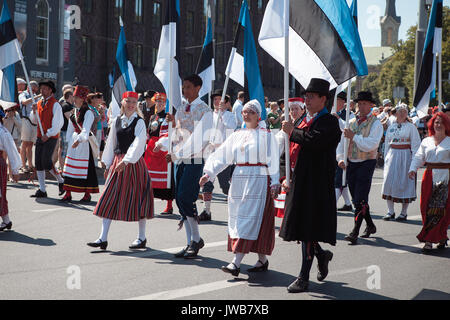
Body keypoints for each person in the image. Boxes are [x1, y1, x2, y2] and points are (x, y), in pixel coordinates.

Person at [199, 99, 280, 277]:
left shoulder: (267, 135)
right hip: (238, 179)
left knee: (249, 219)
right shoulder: (236, 135)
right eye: (244, 111)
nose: (246, 114)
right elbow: (222, 155)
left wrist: (275, 182)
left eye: (250, 112)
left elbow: (273, 159)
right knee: (241, 218)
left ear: (258, 115)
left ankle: (235, 263)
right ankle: (262, 260)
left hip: (258, 180)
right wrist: (209, 172)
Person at [279, 78, 341, 293]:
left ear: (324, 99)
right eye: (306, 96)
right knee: (302, 228)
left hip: (316, 185)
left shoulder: (330, 122)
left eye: (311, 97)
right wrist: (283, 175)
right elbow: (288, 150)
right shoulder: (303, 119)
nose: (307, 100)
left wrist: (292, 131)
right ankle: (321, 255)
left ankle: (303, 277)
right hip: (299, 181)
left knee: (307, 229)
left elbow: (314, 141)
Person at [155, 74, 213, 259]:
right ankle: (191, 241)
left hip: (195, 159)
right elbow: (178, 134)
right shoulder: (180, 109)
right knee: (180, 200)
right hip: (179, 159)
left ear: (198, 88)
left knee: (185, 196)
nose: (184, 90)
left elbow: (199, 139)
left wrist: (177, 153)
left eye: (188, 86)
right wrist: (165, 142)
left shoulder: (206, 111)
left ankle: (195, 240)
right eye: (184, 87)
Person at [87, 91, 154, 250]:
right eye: (128, 101)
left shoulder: (139, 122)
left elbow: (139, 143)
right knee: (108, 197)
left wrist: (126, 160)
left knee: (139, 199)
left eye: (133, 102)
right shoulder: (117, 120)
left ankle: (141, 237)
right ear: (123, 102)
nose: (131, 104)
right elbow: (111, 143)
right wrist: (108, 163)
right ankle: (102, 238)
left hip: (134, 163)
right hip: (117, 162)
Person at [337, 91, 383, 245]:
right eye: (359, 103)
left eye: (365, 103)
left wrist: (354, 137)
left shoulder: (376, 123)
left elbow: (371, 144)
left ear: (371, 105)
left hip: (366, 163)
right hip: (351, 163)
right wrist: (341, 158)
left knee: (359, 198)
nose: (361, 106)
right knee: (358, 199)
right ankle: (370, 225)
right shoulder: (351, 122)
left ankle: (355, 231)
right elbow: (342, 144)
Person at [408, 112, 450, 252]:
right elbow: (419, 157)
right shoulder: (427, 141)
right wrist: (413, 169)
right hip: (430, 175)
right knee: (426, 206)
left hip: (446, 176)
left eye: (441, 122)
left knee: (443, 208)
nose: (438, 125)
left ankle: (435, 237)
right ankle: (434, 237)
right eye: (436, 122)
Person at [199, 89, 237, 221]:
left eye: (219, 99)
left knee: (225, 185)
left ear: (226, 102)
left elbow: (231, 129)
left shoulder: (230, 116)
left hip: (224, 153)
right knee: (207, 181)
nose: (216, 102)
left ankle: (237, 209)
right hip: (209, 152)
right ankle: (206, 210)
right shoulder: (209, 115)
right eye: (215, 99)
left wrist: (222, 115)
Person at [382, 104, 421, 221]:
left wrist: (414, 163)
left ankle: (403, 213)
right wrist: (386, 159)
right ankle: (390, 211)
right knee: (389, 181)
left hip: (406, 157)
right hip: (392, 156)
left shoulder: (411, 127)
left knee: (405, 183)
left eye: (404, 112)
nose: (402, 114)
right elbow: (387, 144)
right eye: (400, 112)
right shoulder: (391, 127)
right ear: (395, 113)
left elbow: (416, 145)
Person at [60, 86, 100, 202]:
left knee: (86, 169)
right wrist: (69, 141)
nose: (74, 99)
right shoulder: (74, 112)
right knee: (69, 168)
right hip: (74, 142)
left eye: (76, 97)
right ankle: (68, 193)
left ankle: (87, 194)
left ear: (82, 99)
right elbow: (70, 129)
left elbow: (86, 130)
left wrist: (79, 140)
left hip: (84, 144)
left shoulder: (88, 113)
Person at [29, 80, 64, 198]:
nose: (42, 91)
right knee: (38, 162)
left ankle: (60, 180)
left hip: (51, 137)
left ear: (50, 90)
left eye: (44, 88)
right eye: (41, 88)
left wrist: (48, 134)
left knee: (46, 161)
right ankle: (42, 189)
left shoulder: (56, 104)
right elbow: (34, 121)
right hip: (40, 136)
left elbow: (58, 124)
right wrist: (34, 111)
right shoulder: (38, 103)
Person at [144, 92, 175, 215]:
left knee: (166, 177)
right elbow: (148, 132)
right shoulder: (152, 117)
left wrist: (161, 144)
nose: (160, 103)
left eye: (162, 102)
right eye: (158, 101)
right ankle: (148, 204)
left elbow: (169, 133)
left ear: (165, 103)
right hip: (151, 149)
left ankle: (169, 205)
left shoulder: (168, 117)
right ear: (155, 102)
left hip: (162, 148)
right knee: (149, 177)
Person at [274, 97, 305, 218]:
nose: (293, 112)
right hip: (288, 163)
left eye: (296, 109)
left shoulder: (304, 125)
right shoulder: (287, 124)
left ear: (302, 110)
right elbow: (278, 143)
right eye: (291, 109)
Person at [332, 91, 355, 212]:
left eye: (338, 100)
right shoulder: (331, 112)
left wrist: (338, 120)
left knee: (339, 178)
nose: (336, 103)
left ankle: (332, 204)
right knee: (340, 178)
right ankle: (347, 203)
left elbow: (348, 129)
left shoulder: (349, 115)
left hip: (343, 149)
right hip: (332, 148)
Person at [0, 108, 21, 232]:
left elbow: (12, 151)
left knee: (1, 194)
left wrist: (15, 170)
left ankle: (6, 220)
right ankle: (6, 220)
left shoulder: (3, 132)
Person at [18, 79, 41, 173]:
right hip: (26, 119)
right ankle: (23, 165)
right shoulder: (23, 94)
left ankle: (30, 164)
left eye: (36, 90)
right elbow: (23, 102)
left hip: (34, 121)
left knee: (31, 144)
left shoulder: (36, 96)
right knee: (24, 143)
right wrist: (36, 97)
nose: (35, 91)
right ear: (29, 88)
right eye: (33, 89)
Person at [59, 90, 75, 166]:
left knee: (67, 150)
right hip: (65, 130)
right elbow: (70, 118)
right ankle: (62, 168)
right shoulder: (65, 105)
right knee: (64, 150)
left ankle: (64, 168)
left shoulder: (71, 106)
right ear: (70, 96)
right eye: (73, 95)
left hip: (69, 131)